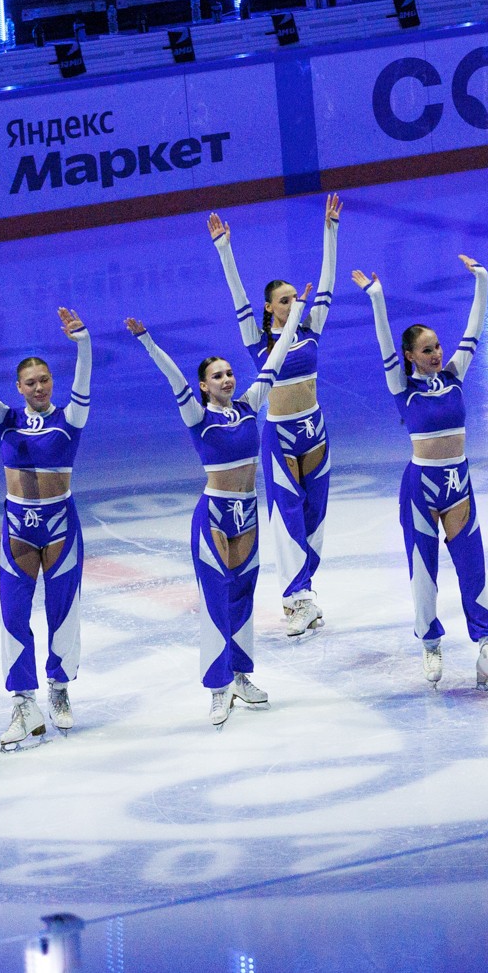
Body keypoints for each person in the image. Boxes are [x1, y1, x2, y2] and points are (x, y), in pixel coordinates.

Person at [127, 298, 308, 726]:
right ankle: (217, 688)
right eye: (217, 376)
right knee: (215, 601)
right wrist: (147, 340)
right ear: (204, 386)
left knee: (243, 595)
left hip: (247, 513)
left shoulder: (249, 406)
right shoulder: (197, 416)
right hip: (214, 516)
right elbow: (174, 378)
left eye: (229, 373)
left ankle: (241, 676)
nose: (226, 379)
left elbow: (276, 358)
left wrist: (297, 313)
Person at [352, 256, 488, 692]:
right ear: (410, 356)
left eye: (437, 347)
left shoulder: (454, 376)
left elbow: (474, 330)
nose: (437, 354)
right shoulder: (401, 387)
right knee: (424, 572)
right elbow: (384, 343)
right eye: (427, 350)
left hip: (459, 482)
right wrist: (376, 298)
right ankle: (430, 641)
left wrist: (482, 279)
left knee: (473, 567)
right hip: (420, 487)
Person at [0, 306, 94, 749]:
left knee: (62, 610)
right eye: (30, 383)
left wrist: (83, 344)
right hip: (17, 527)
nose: (38, 387)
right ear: (18, 387)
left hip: (60, 525)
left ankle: (59, 687)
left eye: (44, 380)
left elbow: (84, 382)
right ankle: (22, 701)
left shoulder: (70, 419)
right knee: (14, 613)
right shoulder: (5, 419)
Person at [207, 195, 341, 639]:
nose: (291, 303)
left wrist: (330, 230)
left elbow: (327, 282)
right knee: (287, 516)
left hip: (315, 431)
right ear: (270, 308)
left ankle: (305, 591)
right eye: (284, 300)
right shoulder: (257, 341)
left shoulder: (311, 328)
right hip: (280, 436)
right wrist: (225, 249)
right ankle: (297, 596)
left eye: (293, 298)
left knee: (315, 515)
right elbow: (237, 296)